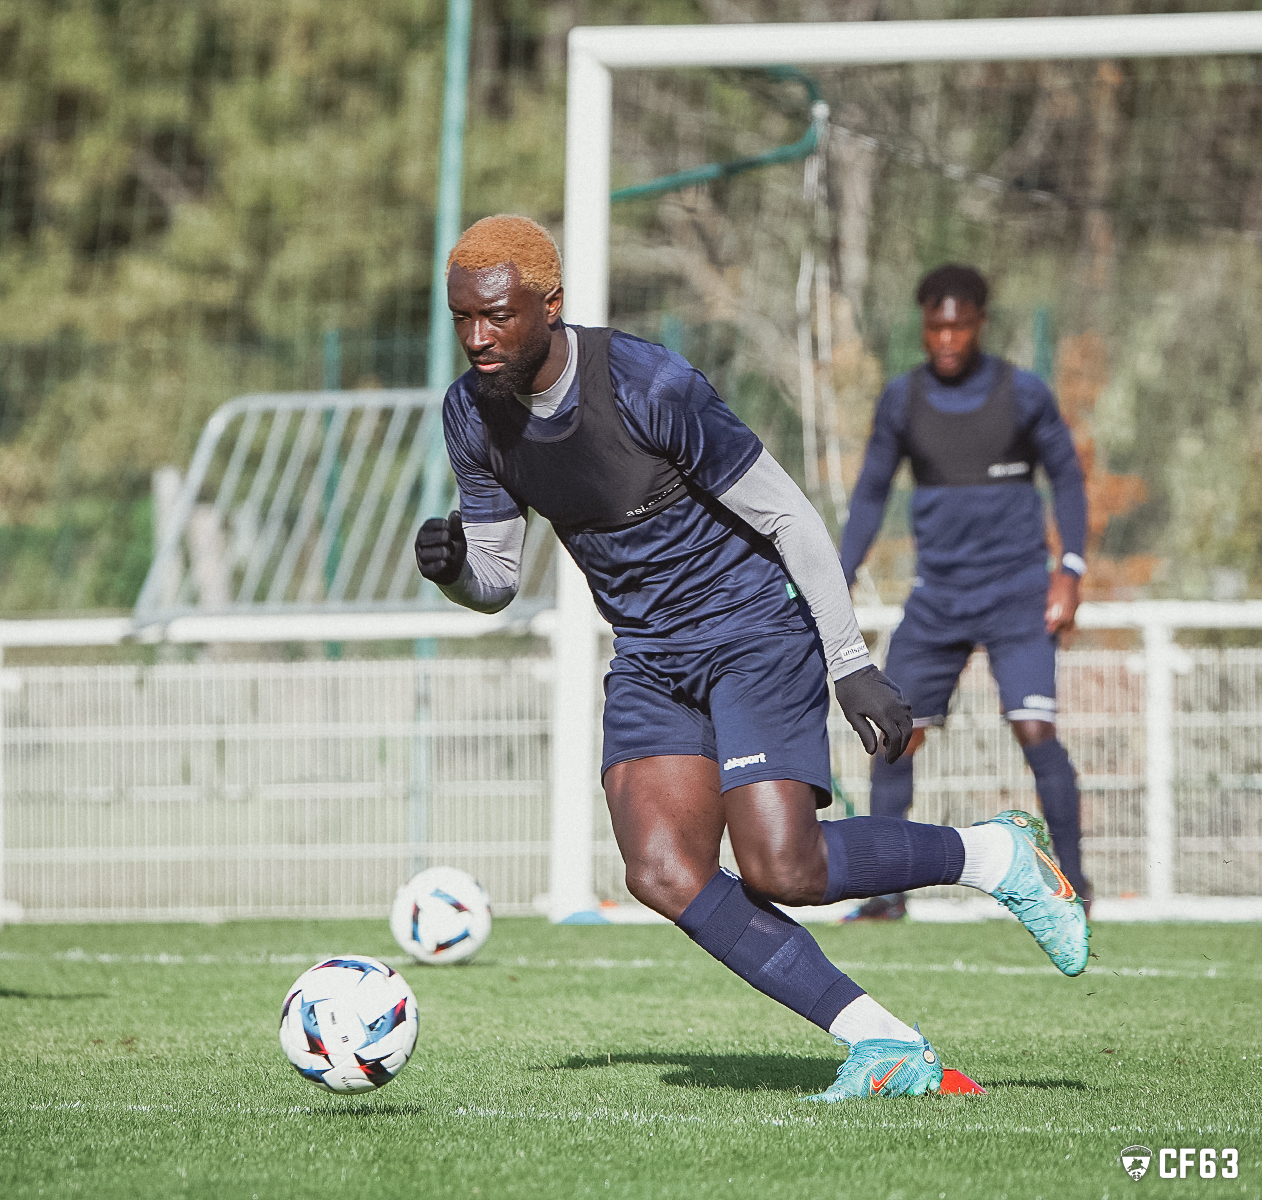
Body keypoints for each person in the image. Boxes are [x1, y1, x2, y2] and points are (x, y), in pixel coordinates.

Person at [415, 216, 1088, 1102]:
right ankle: (883, 1044)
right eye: (462, 318)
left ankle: (993, 856)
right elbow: (498, 575)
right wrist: (456, 571)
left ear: (551, 305)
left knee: (783, 868)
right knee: (660, 870)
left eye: (496, 316)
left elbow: (789, 517)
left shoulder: (652, 383)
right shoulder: (470, 413)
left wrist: (848, 662)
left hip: (752, 630)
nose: (477, 338)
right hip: (651, 653)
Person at [838, 265, 1090, 923]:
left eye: (959, 324)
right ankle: (884, 894)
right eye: (936, 325)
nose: (947, 337)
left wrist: (1071, 569)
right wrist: (835, 574)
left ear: (978, 323)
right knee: (895, 735)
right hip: (938, 598)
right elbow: (869, 494)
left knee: (1034, 727)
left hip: (1017, 595)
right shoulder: (902, 400)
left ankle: (1076, 887)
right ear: (924, 326)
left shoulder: (1022, 393)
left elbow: (1067, 478)